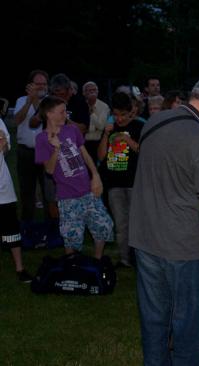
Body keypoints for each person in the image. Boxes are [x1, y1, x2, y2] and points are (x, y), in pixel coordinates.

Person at [129, 75, 199, 365]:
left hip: (144, 238)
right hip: (182, 248)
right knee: (191, 328)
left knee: (154, 322)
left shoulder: (154, 123)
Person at [35, 96, 113, 259]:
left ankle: (98, 261)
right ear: (49, 114)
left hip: (89, 190)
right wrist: (56, 148)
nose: (66, 115)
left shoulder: (72, 130)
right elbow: (49, 170)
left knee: (103, 225)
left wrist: (96, 176)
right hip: (68, 197)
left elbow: (85, 155)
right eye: (62, 112)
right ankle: (72, 265)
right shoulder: (42, 139)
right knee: (71, 235)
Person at [98, 92, 143, 268]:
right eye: (116, 115)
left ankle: (138, 257)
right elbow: (101, 156)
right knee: (121, 224)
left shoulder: (139, 127)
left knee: (137, 223)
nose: (119, 119)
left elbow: (142, 150)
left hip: (134, 183)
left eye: (123, 115)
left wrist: (126, 139)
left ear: (130, 112)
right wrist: (105, 135)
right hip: (114, 184)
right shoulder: (110, 129)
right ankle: (125, 259)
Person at [13, 69, 49, 246]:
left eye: (43, 83)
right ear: (31, 85)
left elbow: (43, 121)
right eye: (38, 83)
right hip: (26, 152)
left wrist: (37, 102)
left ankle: (50, 231)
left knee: (48, 191)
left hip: (46, 152)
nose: (41, 87)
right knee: (27, 194)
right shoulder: (21, 100)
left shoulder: (50, 102)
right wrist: (29, 101)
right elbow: (17, 121)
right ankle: (27, 231)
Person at [0, 117, 33, 282]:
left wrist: (3, 144)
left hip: (3, 189)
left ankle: (20, 268)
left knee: (11, 230)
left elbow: (5, 149)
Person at [83, 81, 110, 164]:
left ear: (98, 92)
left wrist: (92, 113)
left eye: (94, 90)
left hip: (97, 143)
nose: (92, 92)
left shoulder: (104, 106)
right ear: (84, 93)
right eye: (89, 90)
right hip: (82, 142)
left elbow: (101, 126)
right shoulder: (80, 105)